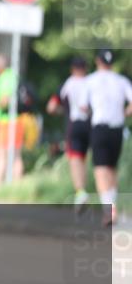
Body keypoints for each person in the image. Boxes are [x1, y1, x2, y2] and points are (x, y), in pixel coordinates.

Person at [82, 48, 132, 226]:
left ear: (97, 61)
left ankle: (108, 209)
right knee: (112, 168)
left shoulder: (90, 81)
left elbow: (82, 106)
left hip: (100, 127)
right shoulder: (121, 81)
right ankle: (113, 207)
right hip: (117, 129)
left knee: (100, 169)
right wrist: (124, 112)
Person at [46, 56, 91, 210]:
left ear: (72, 68)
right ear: (86, 68)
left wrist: (63, 111)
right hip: (93, 125)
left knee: (76, 159)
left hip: (74, 125)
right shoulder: (91, 83)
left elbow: (51, 107)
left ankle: (81, 192)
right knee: (100, 162)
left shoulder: (67, 84)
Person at [0, 52, 23, 186]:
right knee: (15, 157)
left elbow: (5, 100)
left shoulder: (6, 77)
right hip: (14, 121)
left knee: (0, 157)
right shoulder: (12, 76)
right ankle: (17, 188)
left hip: (6, 122)